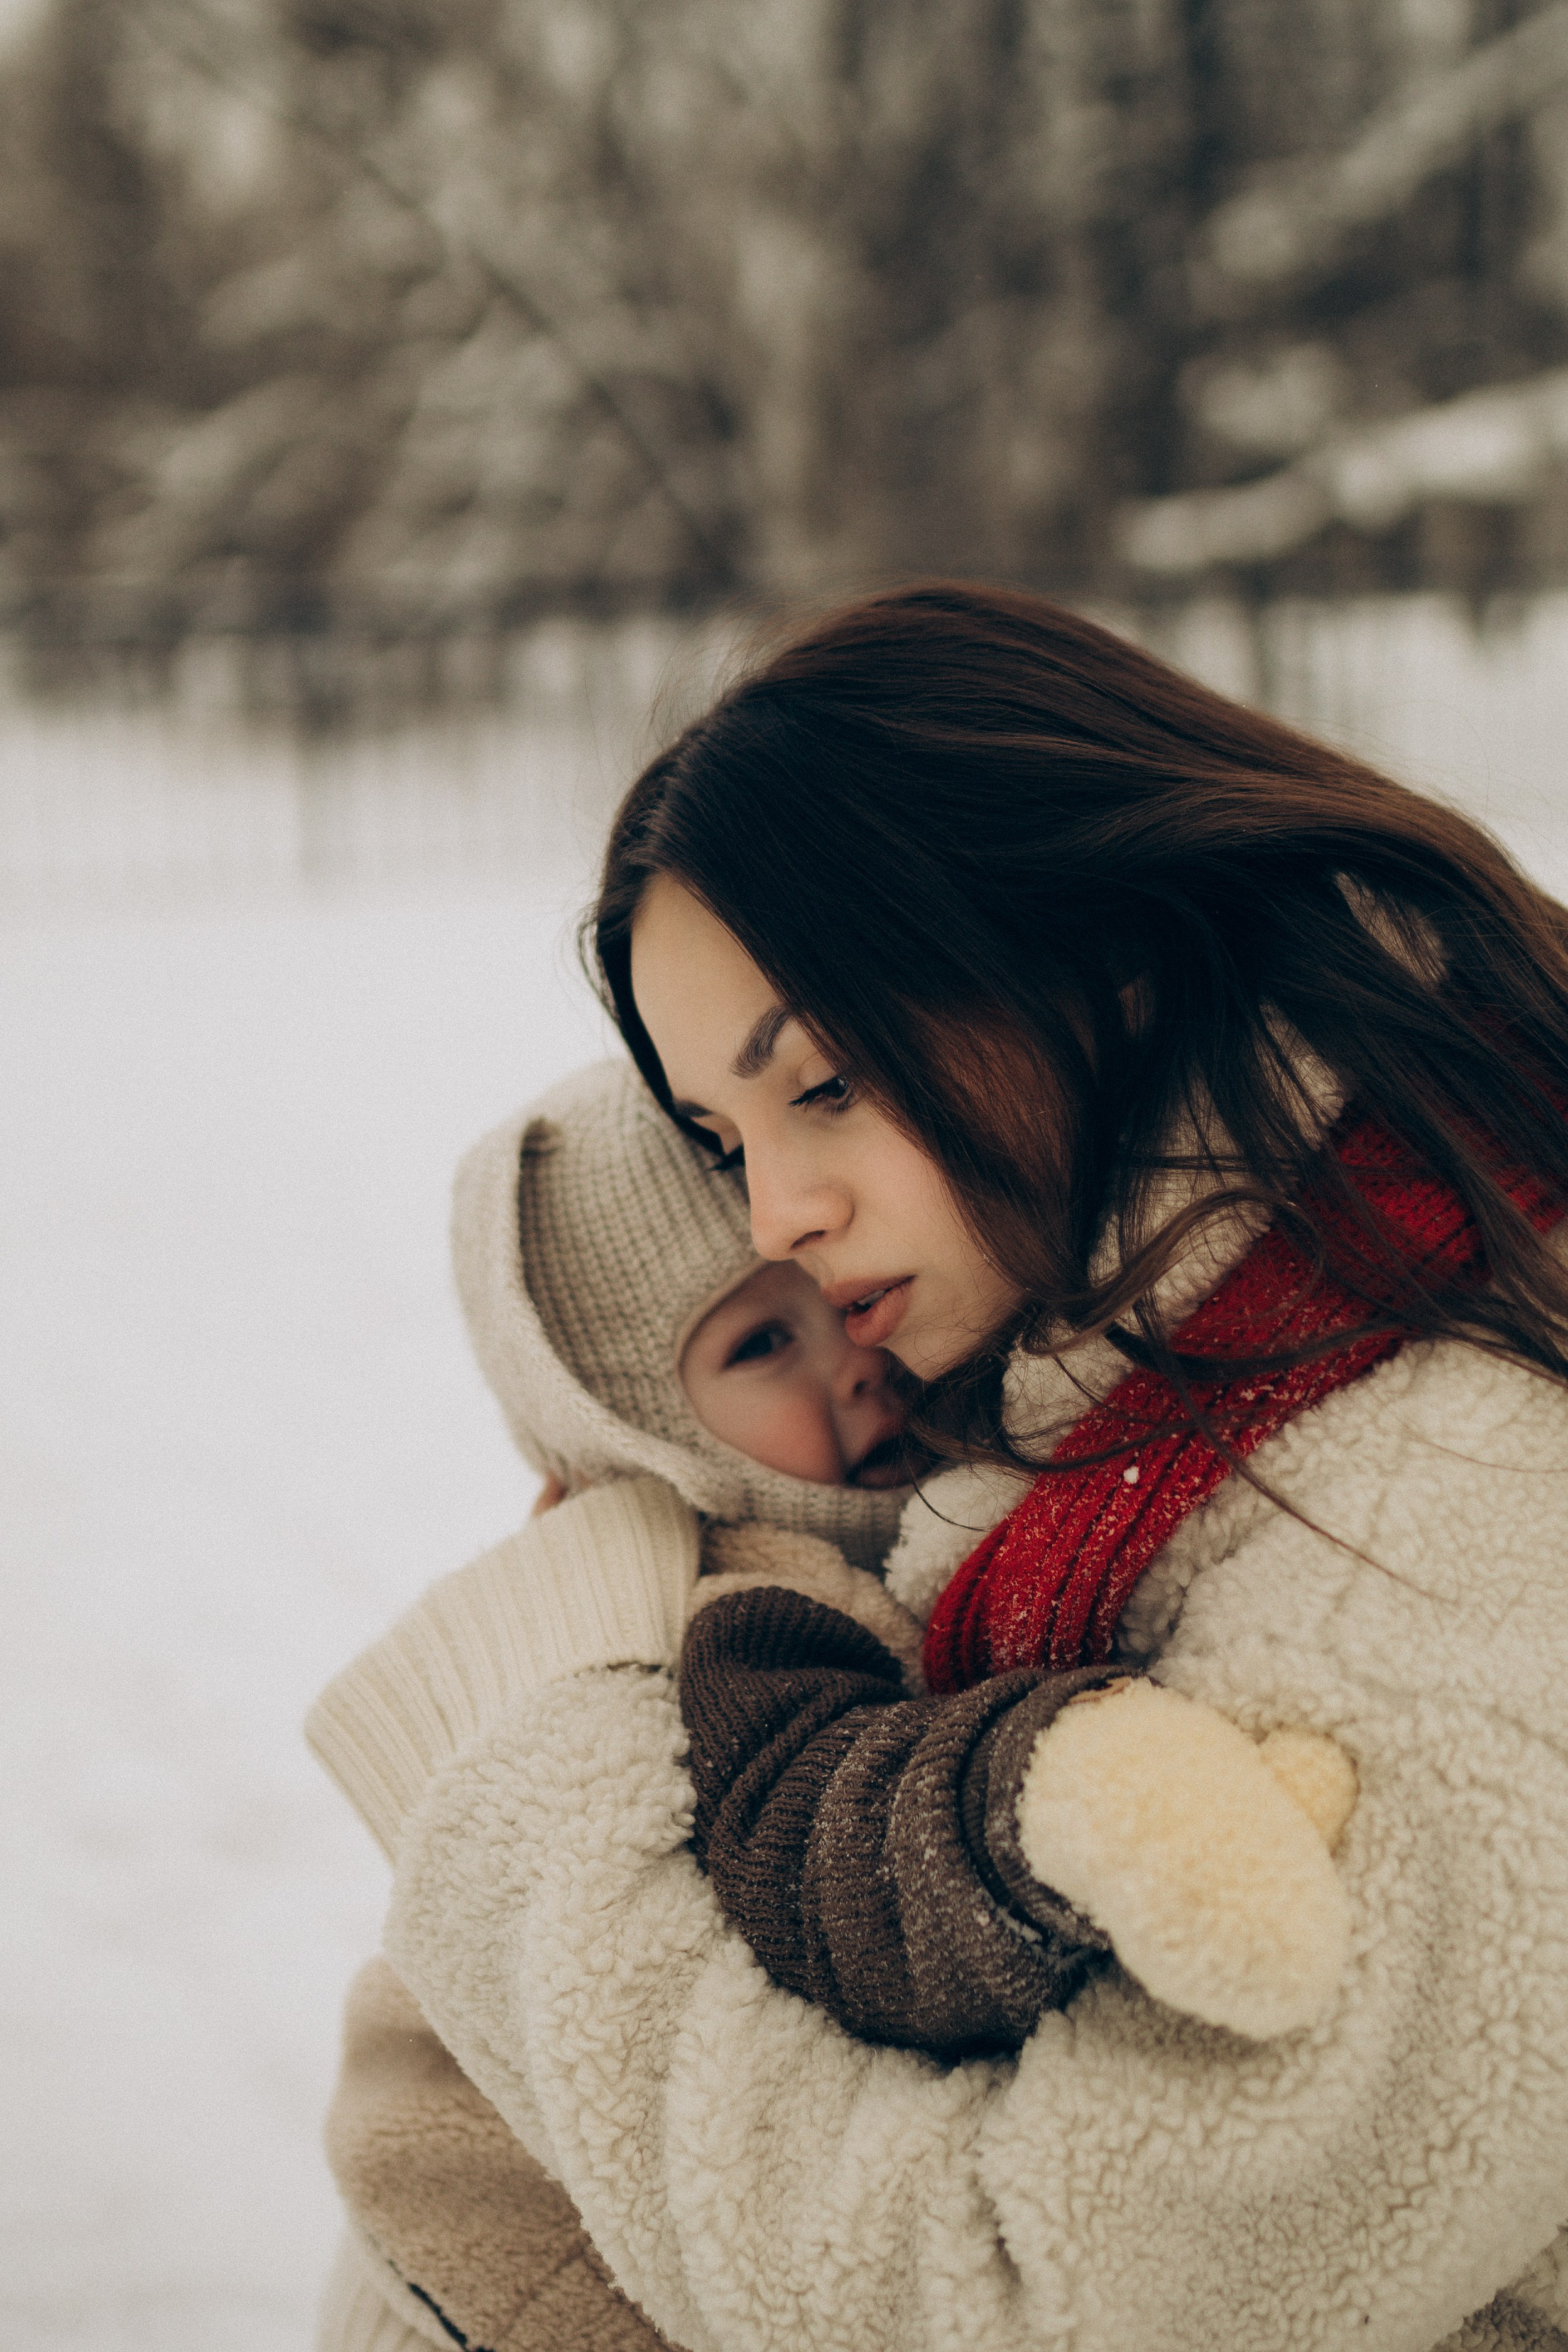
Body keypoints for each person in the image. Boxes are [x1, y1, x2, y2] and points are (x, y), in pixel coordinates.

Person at [313, 582, 1568, 2352]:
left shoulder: (1442, 1517)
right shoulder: (1171, 1390)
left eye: (823, 1082)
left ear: (1108, 953)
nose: (776, 1214)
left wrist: (534, 1809)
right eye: (722, 1140)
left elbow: (1029, 2303)